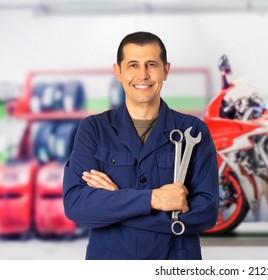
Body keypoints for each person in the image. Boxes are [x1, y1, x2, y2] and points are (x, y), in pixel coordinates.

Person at [63, 31, 219, 260]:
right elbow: (77, 206)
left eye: (152, 64)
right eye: (133, 65)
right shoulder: (94, 129)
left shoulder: (193, 131)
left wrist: (116, 201)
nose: (143, 75)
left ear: (166, 70)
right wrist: (154, 200)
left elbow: (205, 213)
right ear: (118, 71)